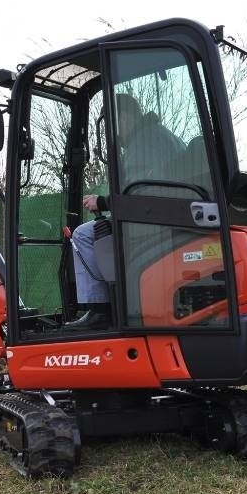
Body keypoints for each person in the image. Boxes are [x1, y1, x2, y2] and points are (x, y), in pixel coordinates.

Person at [64, 93, 184, 329]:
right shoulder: (163, 136)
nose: (115, 135)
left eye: (113, 126)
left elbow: (137, 194)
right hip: (165, 216)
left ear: (125, 119)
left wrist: (103, 202)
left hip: (151, 223)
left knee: (82, 235)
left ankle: (100, 310)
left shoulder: (144, 143)